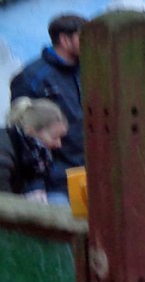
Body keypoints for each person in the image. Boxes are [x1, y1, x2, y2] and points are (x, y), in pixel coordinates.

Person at [10, 13, 88, 204]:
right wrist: (34, 185)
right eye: (83, 36)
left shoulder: (89, 70)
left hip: (89, 176)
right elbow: (22, 135)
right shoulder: (32, 77)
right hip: (53, 183)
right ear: (65, 39)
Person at [0, 98, 68, 199]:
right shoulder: (4, 156)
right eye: (54, 137)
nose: (59, 144)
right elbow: (4, 202)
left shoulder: (29, 154)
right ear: (31, 131)